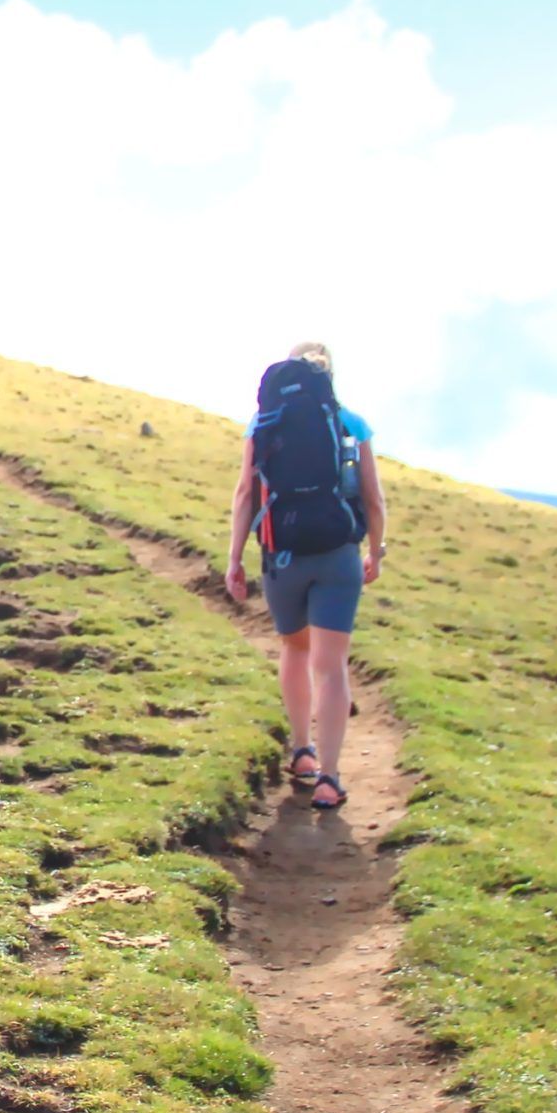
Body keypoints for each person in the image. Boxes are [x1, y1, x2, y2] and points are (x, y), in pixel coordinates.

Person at [224, 342, 386, 810]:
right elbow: (372, 498)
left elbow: (244, 494)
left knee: (295, 648)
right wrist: (376, 550)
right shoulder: (351, 422)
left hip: (283, 554)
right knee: (330, 665)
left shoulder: (264, 421)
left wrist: (234, 558)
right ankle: (330, 779)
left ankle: (301, 752)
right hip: (338, 555)